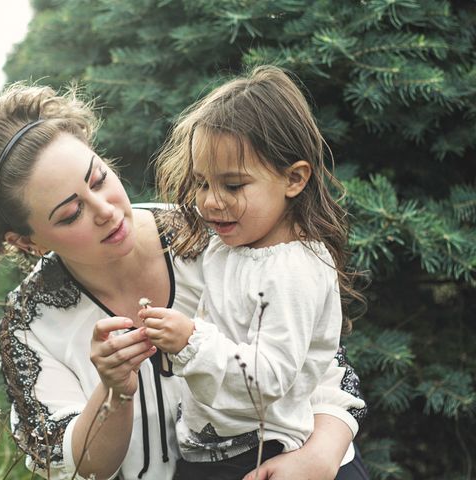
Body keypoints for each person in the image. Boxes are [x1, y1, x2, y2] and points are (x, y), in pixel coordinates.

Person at [0, 82, 367, 480]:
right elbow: (79, 468)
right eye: (70, 213)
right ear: (27, 241)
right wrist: (115, 393)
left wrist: (321, 455)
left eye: (98, 180)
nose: (106, 210)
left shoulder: (214, 231)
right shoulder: (32, 321)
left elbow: (320, 355)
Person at [143, 65, 367, 479]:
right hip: (214, 451)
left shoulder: (293, 268)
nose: (210, 202)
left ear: (294, 179)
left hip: (272, 455)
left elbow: (269, 379)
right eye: (202, 183)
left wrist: (191, 342)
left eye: (233, 185)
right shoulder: (230, 245)